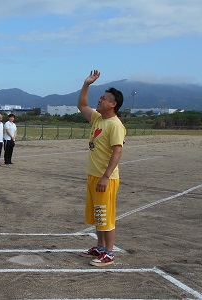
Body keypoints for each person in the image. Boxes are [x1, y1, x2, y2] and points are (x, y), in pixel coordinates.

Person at [77, 70, 126, 267]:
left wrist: (105, 176)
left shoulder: (115, 125)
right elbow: (82, 105)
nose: (100, 100)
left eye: (104, 99)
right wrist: (86, 84)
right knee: (98, 214)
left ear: (113, 104)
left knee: (106, 215)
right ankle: (100, 246)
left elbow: (117, 152)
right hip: (93, 176)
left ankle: (109, 253)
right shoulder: (98, 119)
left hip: (106, 178)